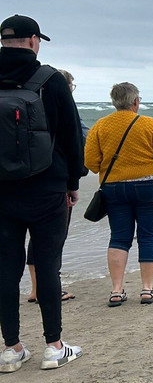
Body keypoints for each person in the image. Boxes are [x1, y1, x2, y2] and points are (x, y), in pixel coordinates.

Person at [0, 15, 84, 372]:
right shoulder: (49, 80)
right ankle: (54, 346)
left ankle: (12, 349)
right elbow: (70, 135)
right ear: (34, 40)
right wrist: (73, 182)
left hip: (1, 193)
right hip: (47, 188)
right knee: (47, 265)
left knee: (5, 269)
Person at [84, 82, 153, 307]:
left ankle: (116, 290)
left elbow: (91, 163)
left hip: (113, 187)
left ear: (114, 101)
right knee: (148, 235)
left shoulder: (100, 126)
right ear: (136, 101)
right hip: (149, 185)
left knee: (119, 237)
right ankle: (147, 289)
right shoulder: (150, 124)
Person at [26, 69, 82, 304]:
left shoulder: (32, 108)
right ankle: (47, 288)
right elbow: (75, 143)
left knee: (32, 239)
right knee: (52, 239)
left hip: (23, 180)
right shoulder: (62, 108)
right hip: (54, 182)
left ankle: (35, 288)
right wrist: (73, 182)